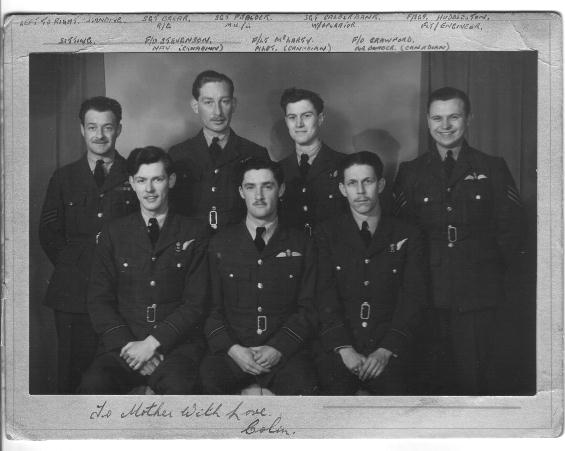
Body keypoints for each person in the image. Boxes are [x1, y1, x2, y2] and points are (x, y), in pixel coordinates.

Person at [393, 87, 525, 395]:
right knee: (429, 384)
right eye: (437, 118)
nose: (445, 126)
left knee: (475, 382)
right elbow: (400, 236)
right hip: (427, 294)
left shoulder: (492, 167)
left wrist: (493, 279)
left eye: (454, 117)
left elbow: (512, 232)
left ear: (469, 119)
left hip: (478, 294)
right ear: (427, 120)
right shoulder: (410, 173)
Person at [78, 147, 209, 394]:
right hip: (124, 346)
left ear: (171, 180)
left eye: (157, 179)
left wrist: (153, 344)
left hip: (175, 347)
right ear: (132, 183)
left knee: (180, 389)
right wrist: (131, 348)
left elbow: (196, 303)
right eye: (141, 180)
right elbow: (98, 300)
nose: (149, 189)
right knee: (92, 386)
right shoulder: (113, 233)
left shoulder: (195, 232)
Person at [39, 96, 138, 393]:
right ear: (82, 129)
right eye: (92, 127)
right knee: (72, 375)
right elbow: (49, 233)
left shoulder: (135, 174)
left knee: (116, 374)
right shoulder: (64, 177)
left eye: (107, 127)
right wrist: (77, 266)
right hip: (73, 293)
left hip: (121, 293)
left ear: (119, 129)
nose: (99, 135)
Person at [200, 157, 317, 395]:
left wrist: (278, 348)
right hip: (235, 351)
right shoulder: (220, 243)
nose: (259, 195)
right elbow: (210, 308)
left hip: (283, 352)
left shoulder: (302, 243)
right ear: (241, 192)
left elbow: (309, 307)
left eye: (267, 186)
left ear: (281, 190)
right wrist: (233, 349)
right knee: (207, 384)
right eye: (251, 187)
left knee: (305, 389)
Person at [314, 151, 425, 395]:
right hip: (341, 350)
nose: (361, 191)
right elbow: (323, 297)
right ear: (342, 189)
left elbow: (413, 298)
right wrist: (344, 348)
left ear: (381, 185)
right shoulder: (326, 234)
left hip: (389, 350)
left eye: (368, 181)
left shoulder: (407, 234)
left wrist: (386, 350)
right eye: (352, 183)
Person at [169, 70, 270, 231]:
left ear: (234, 104)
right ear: (195, 106)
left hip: (239, 243)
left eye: (224, 101)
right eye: (208, 102)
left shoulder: (255, 153)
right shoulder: (178, 154)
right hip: (192, 242)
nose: (218, 112)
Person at [278, 87, 347, 235]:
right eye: (292, 117)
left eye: (306, 116)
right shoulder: (277, 170)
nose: (299, 124)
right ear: (286, 121)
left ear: (320, 119)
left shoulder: (344, 165)